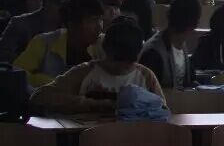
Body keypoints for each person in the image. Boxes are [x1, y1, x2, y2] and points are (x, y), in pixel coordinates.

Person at [29, 18, 165, 116]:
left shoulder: (146, 76)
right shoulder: (84, 72)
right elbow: (40, 96)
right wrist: (91, 104)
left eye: (129, 62)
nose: (122, 67)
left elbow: (163, 111)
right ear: (106, 50)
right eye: (117, 60)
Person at [15, 0, 105, 88]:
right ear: (72, 24)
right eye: (92, 21)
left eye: (100, 20)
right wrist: (53, 82)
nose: (99, 27)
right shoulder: (44, 42)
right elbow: (16, 73)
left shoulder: (104, 45)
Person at [0, 0, 74, 63]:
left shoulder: (72, 26)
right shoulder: (21, 24)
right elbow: (3, 55)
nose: (65, 9)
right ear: (46, 1)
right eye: (60, 4)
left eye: (69, 5)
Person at [140, 0, 199, 88]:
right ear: (193, 25)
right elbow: (150, 91)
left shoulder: (182, 44)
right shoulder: (153, 52)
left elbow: (190, 81)